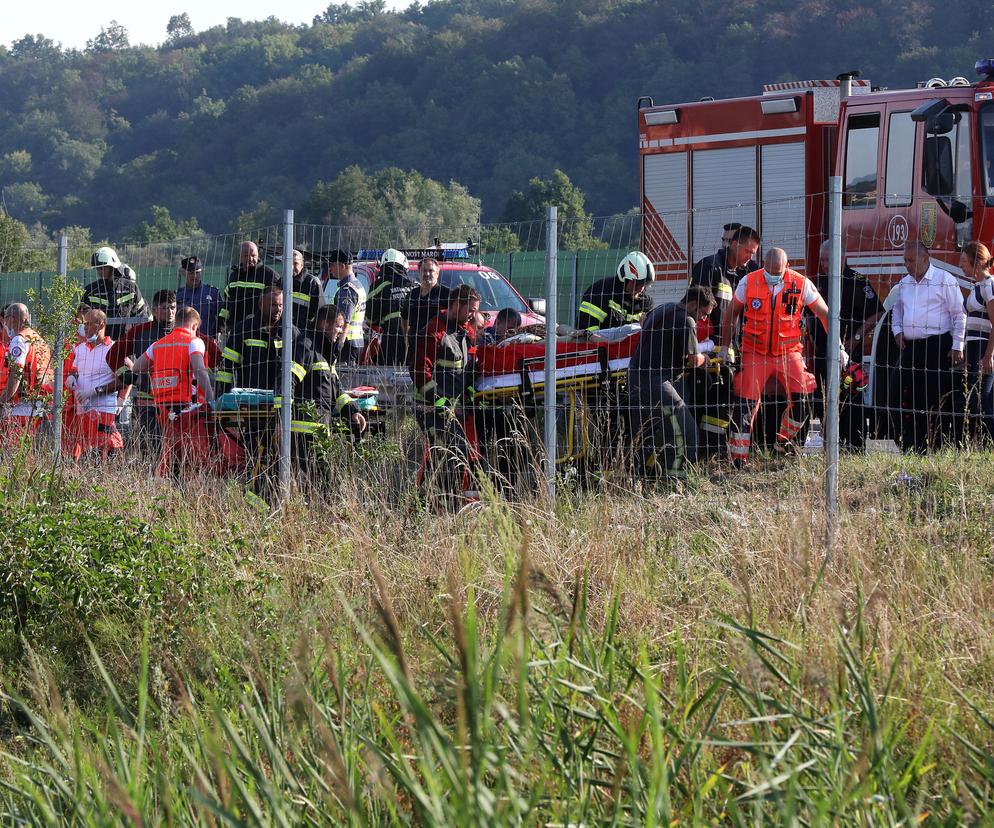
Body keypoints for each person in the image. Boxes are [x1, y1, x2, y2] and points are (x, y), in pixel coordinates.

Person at [718, 248, 836, 464]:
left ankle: (783, 443)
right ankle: (737, 459)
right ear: (763, 265)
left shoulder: (801, 284)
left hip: (788, 351)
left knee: (804, 400)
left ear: (787, 266)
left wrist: (837, 345)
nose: (772, 277)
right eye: (769, 272)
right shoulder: (749, 281)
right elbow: (731, 313)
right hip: (754, 351)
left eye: (777, 273)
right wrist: (725, 347)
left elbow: (824, 313)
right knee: (745, 404)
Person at [215, 281, 307, 506]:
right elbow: (227, 369)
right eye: (273, 305)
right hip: (251, 407)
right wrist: (221, 404)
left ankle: (272, 501)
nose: (277, 310)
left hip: (280, 409)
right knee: (253, 456)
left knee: (277, 458)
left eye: (280, 305)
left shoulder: (292, 332)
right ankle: (254, 501)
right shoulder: (244, 329)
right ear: (260, 304)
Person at [130, 307, 237, 479]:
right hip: (190, 409)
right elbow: (200, 370)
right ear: (194, 326)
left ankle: (171, 487)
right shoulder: (194, 342)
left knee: (172, 452)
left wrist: (159, 366)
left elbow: (136, 367)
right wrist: (211, 401)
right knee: (196, 455)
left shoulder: (158, 344)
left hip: (164, 409)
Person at [627, 286, 716, 478]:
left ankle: (638, 477)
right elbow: (694, 360)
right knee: (687, 431)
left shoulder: (662, 308)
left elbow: (644, 321)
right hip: (655, 380)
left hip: (635, 376)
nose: (703, 319)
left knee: (649, 432)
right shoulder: (687, 320)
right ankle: (678, 479)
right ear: (692, 305)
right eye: (703, 313)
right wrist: (706, 359)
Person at [889, 241, 967, 452]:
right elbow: (896, 311)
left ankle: (933, 444)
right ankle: (910, 441)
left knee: (931, 399)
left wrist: (958, 345)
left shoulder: (944, 280)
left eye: (911, 260)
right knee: (897, 393)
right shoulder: (904, 283)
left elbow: (959, 314)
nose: (907, 265)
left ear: (926, 258)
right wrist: (897, 331)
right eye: (905, 260)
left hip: (937, 346)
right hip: (911, 347)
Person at [809, 240, 884, 450]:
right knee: (824, 401)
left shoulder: (858, 282)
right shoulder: (817, 282)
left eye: (827, 260)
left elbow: (877, 313)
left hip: (850, 354)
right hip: (823, 353)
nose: (824, 264)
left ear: (842, 258)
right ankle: (830, 447)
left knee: (852, 399)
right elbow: (807, 315)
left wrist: (857, 338)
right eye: (822, 260)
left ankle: (855, 446)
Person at [410, 284, 482, 502]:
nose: (473, 315)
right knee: (449, 452)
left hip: (454, 409)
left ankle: (437, 501)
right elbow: (419, 371)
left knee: (450, 453)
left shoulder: (466, 332)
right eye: (470, 309)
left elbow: (469, 369)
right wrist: (440, 402)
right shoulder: (434, 331)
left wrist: (469, 394)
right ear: (456, 304)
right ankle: (432, 502)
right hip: (431, 408)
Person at [108, 289, 178, 453]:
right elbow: (112, 356)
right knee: (150, 450)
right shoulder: (140, 332)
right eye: (164, 308)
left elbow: (211, 353)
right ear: (153, 310)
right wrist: (129, 376)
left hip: (178, 402)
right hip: (147, 402)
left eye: (173, 307)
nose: (170, 312)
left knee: (177, 449)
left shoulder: (183, 332)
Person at [63, 309, 125, 461]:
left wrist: (95, 392)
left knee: (101, 450)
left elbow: (123, 379)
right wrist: (72, 377)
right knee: (84, 449)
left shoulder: (113, 349)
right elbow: (74, 370)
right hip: (82, 408)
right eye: (85, 324)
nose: (84, 328)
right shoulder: (80, 349)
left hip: (103, 408)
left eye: (89, 324)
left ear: (101, 325)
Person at [691, 226, 761, 345]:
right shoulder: (710, 267)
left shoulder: (745, 274)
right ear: (734, 245)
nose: (750, 257)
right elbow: (695, 307)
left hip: (733, 347)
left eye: (753, 253)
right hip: (710, 347)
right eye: (748, 251)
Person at [0, 303, 53, 448]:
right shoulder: (39, 339)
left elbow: (16, 374)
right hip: (39, 402)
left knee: (14, 450)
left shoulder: (19, 340)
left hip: (21, 405)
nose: (5, 324)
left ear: (12, 318)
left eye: (6, 320)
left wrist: (3, 400)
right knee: (26, 450)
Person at [961, 241, 994, 441]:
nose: (961, 266)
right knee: (976, 400)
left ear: (976, 261)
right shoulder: (977, 286)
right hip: (974, 349)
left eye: (964, 261)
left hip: (984, 349)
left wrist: (988, 355)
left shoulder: (989, 286)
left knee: (984, 400)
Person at [81, 246, 149, 341]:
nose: (100, 271)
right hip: (99, 343)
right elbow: (82, 316)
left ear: (113, 266)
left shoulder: (130, 288)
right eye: (98, 268)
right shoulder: (90, 291)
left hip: (126, 343)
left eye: (104, 267)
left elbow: (142, 314)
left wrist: (137, 339)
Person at [576, 251, 654, 332]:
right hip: (599, 343)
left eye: (644, 285)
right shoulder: (599, 292)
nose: (641, 289)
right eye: (637, 284)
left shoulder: (646, 304)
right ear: (624, 278)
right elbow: (586, 329)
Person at [217, 241, 279, 336]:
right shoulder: (234, 276)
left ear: (258, 255)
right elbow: (227, 305)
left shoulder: (269, 275)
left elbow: (277, 305)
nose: (250, 259)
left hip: (260, 331)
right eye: (246, 255)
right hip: (236, 332)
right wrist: (219, 327)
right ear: (240, 257)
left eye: (253, 255)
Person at [367, 248, 415, 365]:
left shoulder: (378, 286)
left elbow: (370, 318)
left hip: (390, 340)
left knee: (388, 376)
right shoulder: (415, 285)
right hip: (415, 340)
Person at [322, 249, 367, 366]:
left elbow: (344, 322)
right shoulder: (357, 285)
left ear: (342, 266)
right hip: (355, 342)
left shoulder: (347, 290)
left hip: (346, 344)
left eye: (332, 265)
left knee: (344, 381)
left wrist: (338, 346)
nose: (330, 269)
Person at [403, 258, 451, 348]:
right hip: (415, 348)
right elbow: (404, 317)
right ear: (419, 272)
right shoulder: (412, 295)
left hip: (439, 348)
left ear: (437, 273)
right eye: (424, 270)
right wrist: (406, 337)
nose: (427, 274)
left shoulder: (446, 294)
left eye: (431, 270)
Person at [175, 256, 222, 337]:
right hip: (186, 342)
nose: (195, 276)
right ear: (184, 273)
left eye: (197, 272)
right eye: (191, 273)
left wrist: (219, 332)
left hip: (208, 341)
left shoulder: (213, 293)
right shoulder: (178, 295)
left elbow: (222, 316)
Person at [289, 249, 325, 334]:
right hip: (284, 333)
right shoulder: (281, 282)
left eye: (295, 263)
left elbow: (320, 313)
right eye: (289, 263)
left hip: (304, 334)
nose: (291, 267)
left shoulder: (312, 283)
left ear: (302, 264)